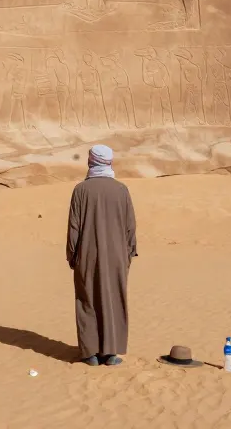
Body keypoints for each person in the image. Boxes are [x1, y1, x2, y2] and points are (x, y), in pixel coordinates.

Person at [66, 144, 137, 366]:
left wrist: (72, 256)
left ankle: (90, 353)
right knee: (113, 298)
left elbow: (74, 228)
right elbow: (130, 227)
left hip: (87, 254)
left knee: (88, 300)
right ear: (109, 162)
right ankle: (110, 352)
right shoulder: (121, 190)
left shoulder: (80, 190)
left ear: (91, 162)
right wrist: (128, 254)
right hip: (117, 256)